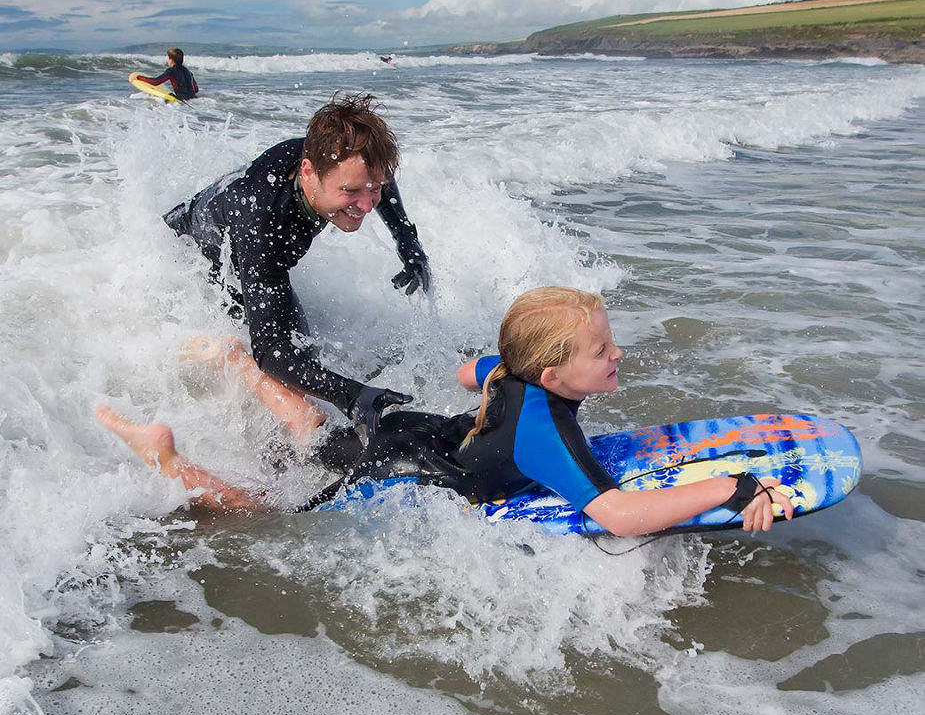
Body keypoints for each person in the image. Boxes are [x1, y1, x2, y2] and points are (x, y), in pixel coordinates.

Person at [96, 288, 793, 537]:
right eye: (600, 349)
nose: (617, 354)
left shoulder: (513, 373)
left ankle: (241, 365)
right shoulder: (546, 428)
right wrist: (733, 487)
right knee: (271, 516)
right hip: (407, 471)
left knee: (317, 437)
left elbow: (472, 370)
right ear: (552, 374)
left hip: (417, 432)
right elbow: (615, 515)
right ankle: (168, 456)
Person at [162, 94, 431, 435]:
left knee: (305, 350)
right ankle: (224, 357)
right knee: (285, 354)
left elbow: (378, 175)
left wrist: (407, 239)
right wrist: (350, 395)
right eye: (351, 192)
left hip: (241, 240)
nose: (365, 205)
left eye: (372, 190)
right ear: (308, 173)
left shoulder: (333, 156)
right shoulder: (262, 222)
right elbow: (272, 350)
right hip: (192, 257)